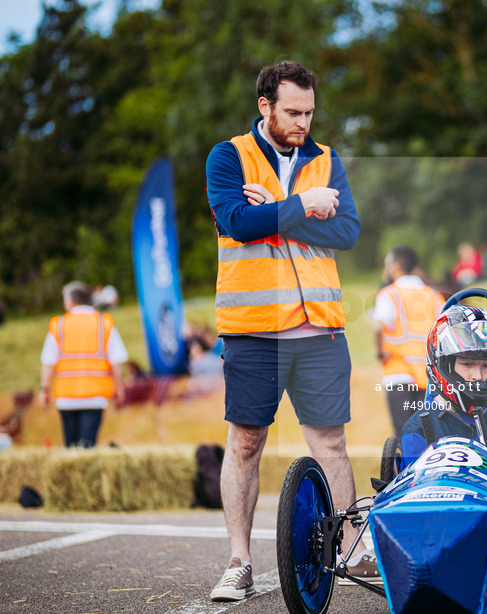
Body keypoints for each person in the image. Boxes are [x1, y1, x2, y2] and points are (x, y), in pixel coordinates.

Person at [205, 60, 368, 601]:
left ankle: (345, 550)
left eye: (310, 112)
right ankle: (238, 562)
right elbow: (237, 223)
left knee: (332, 444)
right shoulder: (228, 156)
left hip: (319, 329)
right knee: (246, 443)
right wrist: (303, 207)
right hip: (253, 332)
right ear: (265, 107)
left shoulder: (326, 159)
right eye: (293, 112)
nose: (303, 122)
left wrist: (277, 211)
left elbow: (347, 231)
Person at [400, 305, 487, 473]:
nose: (478, 376)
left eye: (486, 366)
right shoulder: (418, 430)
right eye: (467, 364)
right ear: (445, 364)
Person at [39, 282, 128, 448]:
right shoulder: (104, 324)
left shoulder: (59, 325)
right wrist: (119, 387)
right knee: (87, 447)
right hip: (95, 396)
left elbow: (48, 361)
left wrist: (44, 389)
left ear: (70, 301)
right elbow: (117, 360)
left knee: (71, 448)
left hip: (66, 396)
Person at [373, 246, 445, 437]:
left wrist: (381, 352)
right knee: (426, 433)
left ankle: (403, 468)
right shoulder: (432, 294)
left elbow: (378, 327)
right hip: (426, 373)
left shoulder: (389, 294)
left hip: (398, 371)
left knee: (402, 432)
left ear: (396, 265)